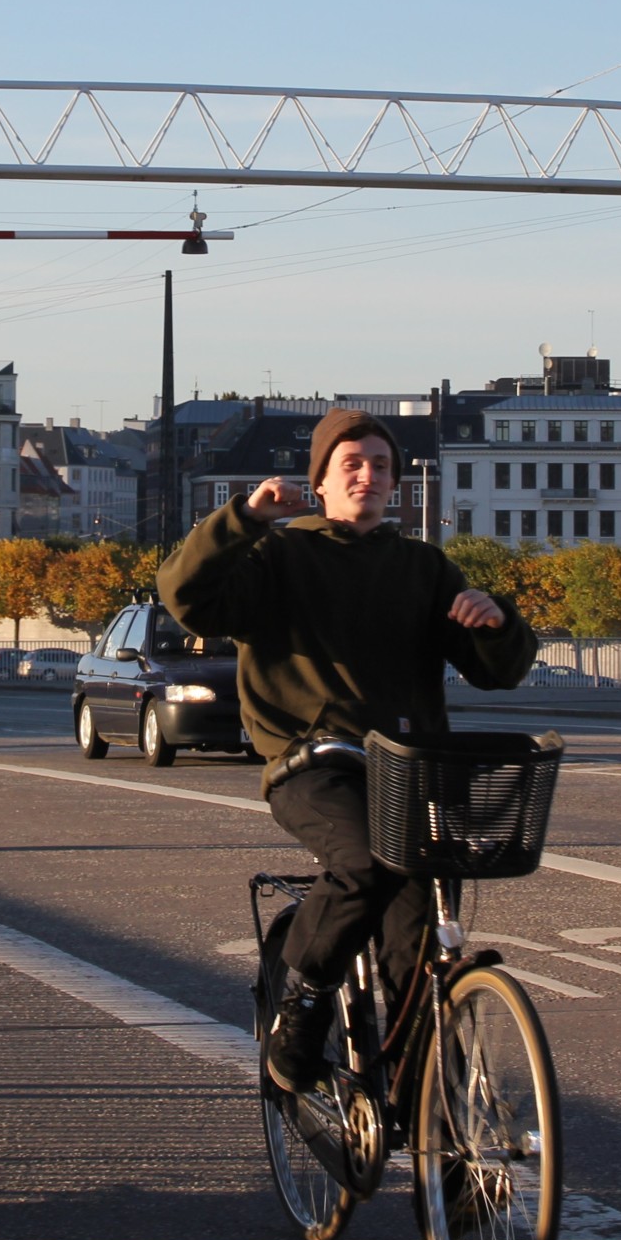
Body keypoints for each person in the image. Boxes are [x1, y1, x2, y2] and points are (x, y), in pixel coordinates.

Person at [158, 408, 536, 1093]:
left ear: (395, 482)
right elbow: (185, 595)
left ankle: (446, 1150)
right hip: (313, 762)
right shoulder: (278, 557)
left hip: (408, 771)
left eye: (381, 465)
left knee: (419, 956)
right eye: (352, 464)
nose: (369, 475)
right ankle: (300, 1010)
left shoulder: (422, 566)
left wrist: (496, 620)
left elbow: (497, 668)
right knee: (362, 863)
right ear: (323, 482)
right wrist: (244, 517)